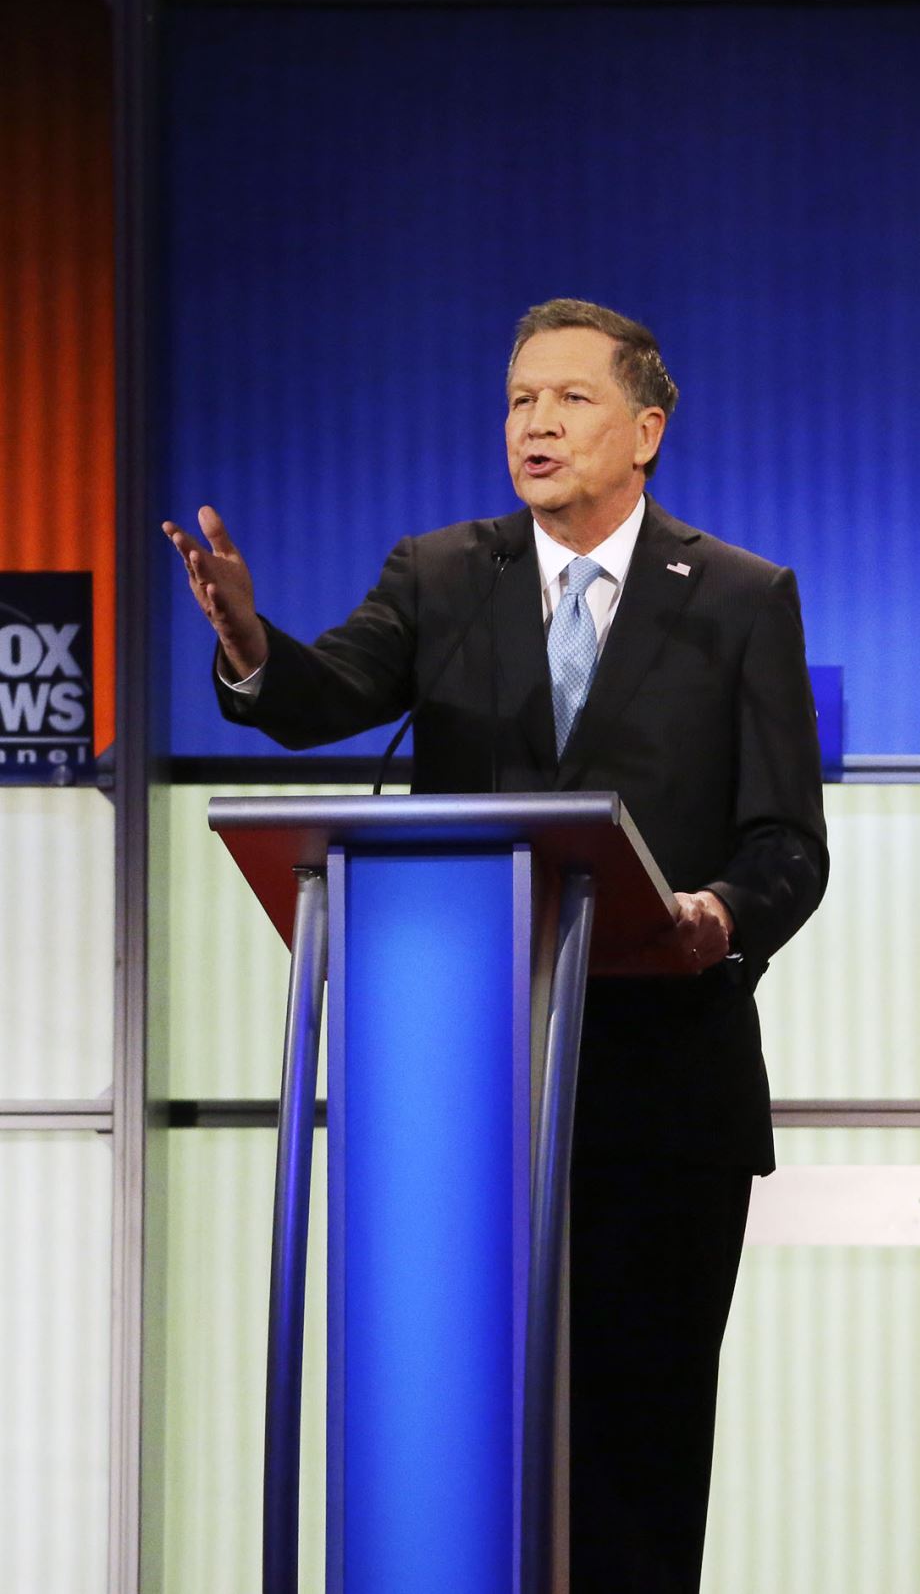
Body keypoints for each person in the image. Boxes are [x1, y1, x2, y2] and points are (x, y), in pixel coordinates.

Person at [165, 298, 828, 1592]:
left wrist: (718, 916)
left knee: (636, 1461)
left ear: (646, 428)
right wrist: (248, 644)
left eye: (569, 399)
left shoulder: (743, 599)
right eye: (521, 398)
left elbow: (787, 844)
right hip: (459, 1093)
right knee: (456, 1446)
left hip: (662, 1098)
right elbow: (324, 698)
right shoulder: (442, 575)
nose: (536, 422)